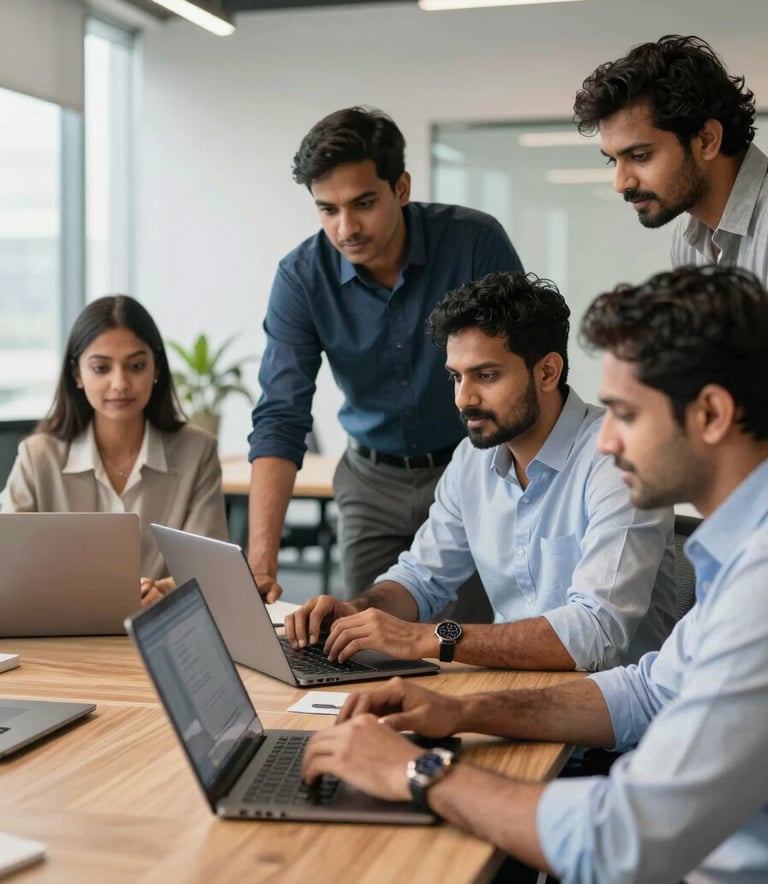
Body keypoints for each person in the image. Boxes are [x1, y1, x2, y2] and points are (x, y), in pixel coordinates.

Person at [302, 264, 768, 884]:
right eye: (457, 377)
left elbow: (622, 840)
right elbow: (647, 692)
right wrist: (457, 713)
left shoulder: (757, 587)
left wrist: (419, 771)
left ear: (710, 413)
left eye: (626, 414)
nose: (607, 439)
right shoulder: (738, 556)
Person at [285, 271, 675, 672]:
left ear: (547, 372)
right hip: (507, 690)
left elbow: (596, 633)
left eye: (486, 376)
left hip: (609, 715)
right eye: (456, 376)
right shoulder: (472, 460)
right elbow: (421, 578)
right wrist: (356, 610)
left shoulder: (619, 460)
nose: (463, 399)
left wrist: (429, 638)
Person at [247, 106, 523, 607]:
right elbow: (280, 415)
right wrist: (261, 564)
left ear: (401, 188)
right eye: (327, 209)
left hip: (472, 470)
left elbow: (523, 369)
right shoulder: (301, 278)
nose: (346, 227)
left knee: (470, 643)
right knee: (366, 645)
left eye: (363, 203)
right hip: (371, 483)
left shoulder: (474, 244)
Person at [0, 295, 229, 606]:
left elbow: (211, 566)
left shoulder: (197, 451)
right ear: (77, 375)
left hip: (165, 628)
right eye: (101, 368)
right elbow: (8, 564)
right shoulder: (37, 456)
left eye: (136, 366)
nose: (120, 383)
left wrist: (161, 589)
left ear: (156, 368)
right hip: (66, 630)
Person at [573, 34, 768, 282]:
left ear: (707, 140)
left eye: (640, 156)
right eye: (614, 160)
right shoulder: (688, 238)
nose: (621, 184)